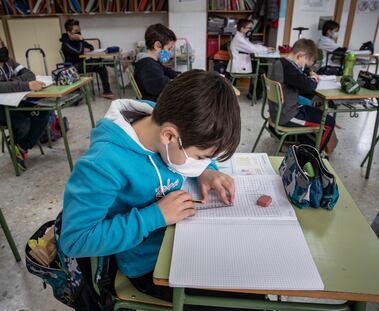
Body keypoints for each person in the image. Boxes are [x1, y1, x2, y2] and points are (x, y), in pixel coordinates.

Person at [56, 70, 263, 309]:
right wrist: (156, 216)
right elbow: (75, 240)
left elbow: (188, 150)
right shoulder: (102, 165)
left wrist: (206, 171)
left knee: (255, 277)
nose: (202, 161)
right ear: (169, 136)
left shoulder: (165, 119)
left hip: (183, 238)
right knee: (250, 300)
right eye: (200, 157)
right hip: (149, 266)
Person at [268, 39, 337, 155]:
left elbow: (298, 80)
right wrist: (314, 79)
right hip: (287, 116)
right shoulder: (288, 68)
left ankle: (305, 146)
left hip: (278, 112)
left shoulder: (279, 63)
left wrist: (305, 74)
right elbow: (309, 86)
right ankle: (312, 155)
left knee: (314, 109)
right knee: (329, 122)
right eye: (304, 64)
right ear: (300, 56)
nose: (304, 67)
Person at [0, 38, 49, 170]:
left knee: (44, 112)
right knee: (23, 123)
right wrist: (25, 85)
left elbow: (30, 74)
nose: (1, 49)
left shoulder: (8, 62)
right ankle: (17, 146)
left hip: (14, 102)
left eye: (2, 45)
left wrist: (11, 82)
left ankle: (21, 147)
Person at [60, 18, 114, 99]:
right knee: (100, 63)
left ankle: (107, 91)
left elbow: (90, 47)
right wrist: (81, 41)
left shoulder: (77, 40)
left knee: (101, 66)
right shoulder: (66, 43)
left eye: (79, 31)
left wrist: (84, 47)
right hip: (73, 68)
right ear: (68, 32)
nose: (79, 33)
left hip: (82, 64)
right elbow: (79, 52)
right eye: (76, 31)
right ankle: (109, 62)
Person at [226, 19, 274, 101]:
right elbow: (252, 49)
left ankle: (253, 93)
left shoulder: (241, 37)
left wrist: (265, 48)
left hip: (241, 62)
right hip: (240, 65)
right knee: (261, 71)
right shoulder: (239, 39)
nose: (250, 30)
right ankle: (254, 95)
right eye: (249, 28)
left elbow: (251, 46)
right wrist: (266, 49)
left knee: (260, 67)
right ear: (242, 29)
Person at [134, 23, 180, 102]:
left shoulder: (151, 61)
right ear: (158, 46)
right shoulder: (148, 66)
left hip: (155, 99)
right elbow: (161, 85)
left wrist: (179, 75)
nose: (170, 52)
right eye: (169, 49)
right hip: (152, 104)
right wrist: (178, 83)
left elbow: (166, 70)